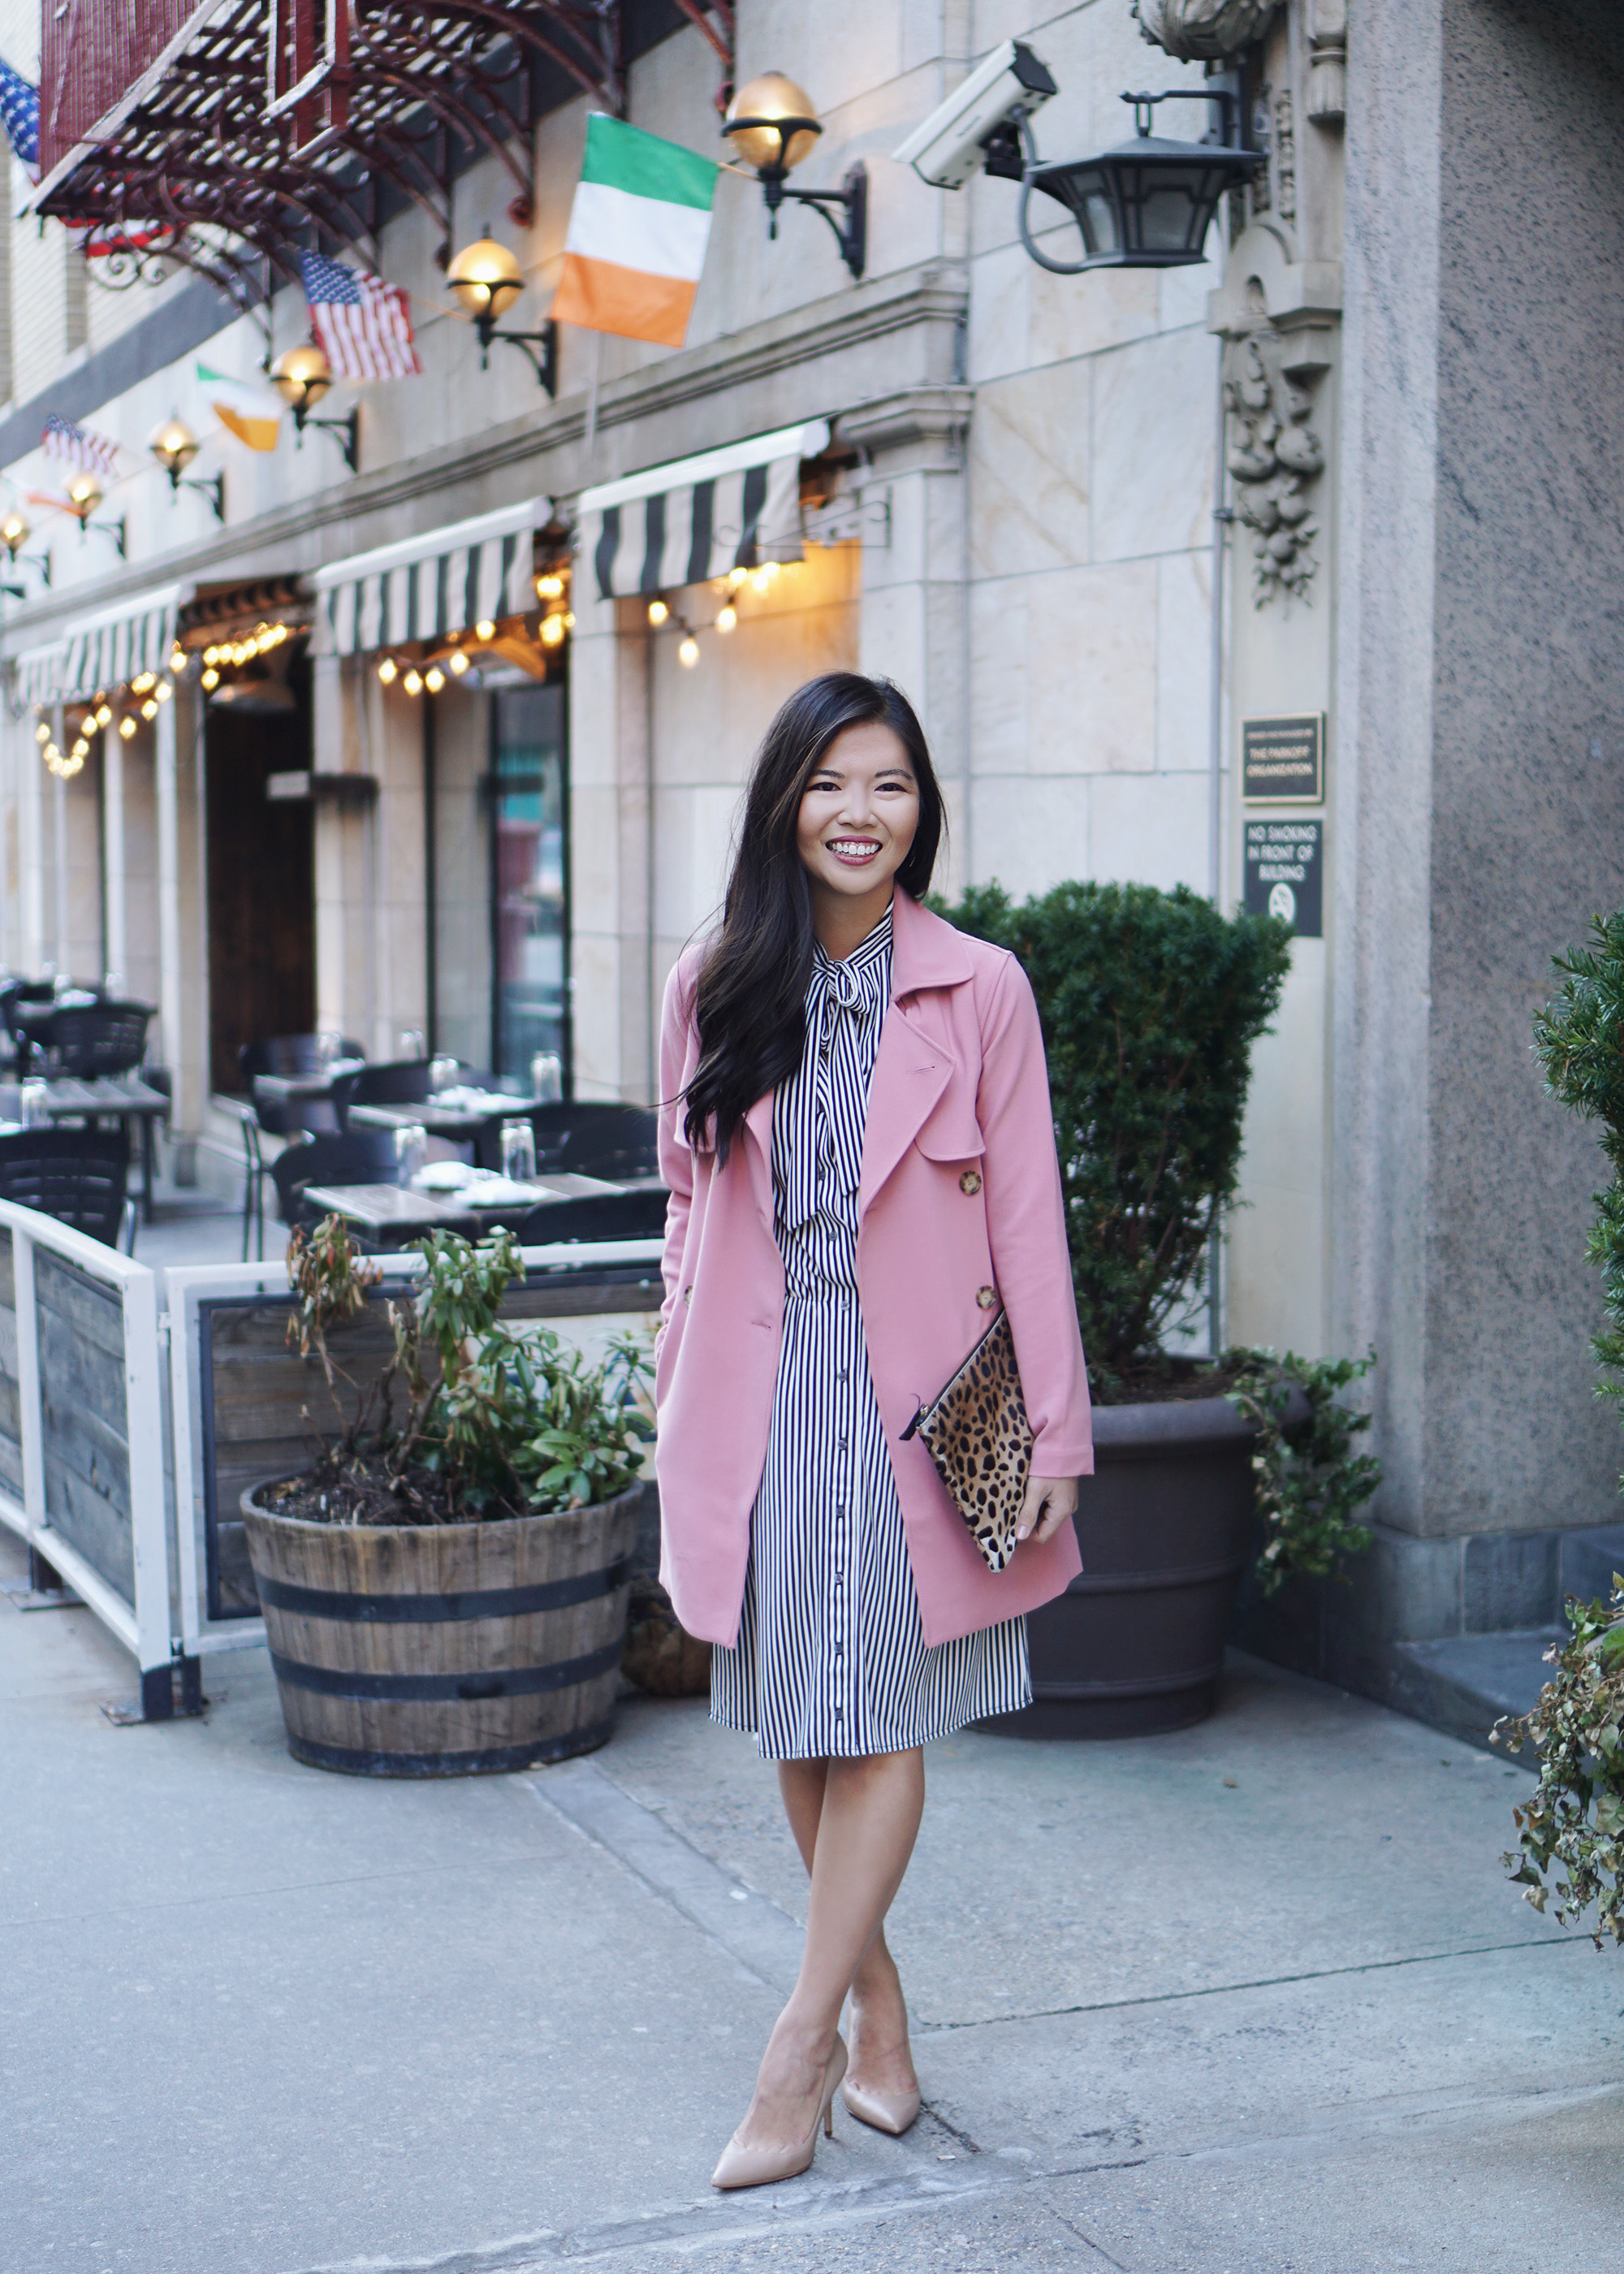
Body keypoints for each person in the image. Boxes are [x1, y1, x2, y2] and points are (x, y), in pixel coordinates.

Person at [654, 672, 1092, 2191]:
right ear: (787, 800)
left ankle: (798, 2051)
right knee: (800, 1709)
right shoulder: (715, 981)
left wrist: (1056, 1433)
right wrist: (670, 1374)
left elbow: (1030, 1218)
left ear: (925, 809)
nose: (860, 813)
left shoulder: (982, 989)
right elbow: (682, 1209)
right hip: (759, 1394)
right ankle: (881, 2009)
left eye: (890, 784)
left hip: (920, 1397)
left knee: (879, 1721)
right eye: (831, 783)